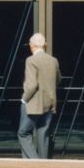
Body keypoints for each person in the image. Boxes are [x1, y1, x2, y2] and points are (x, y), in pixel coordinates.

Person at [17, 31, 59, 160]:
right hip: (49, 103)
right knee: (42, 134)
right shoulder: (53, 60)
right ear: (44, 45)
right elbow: (58, 79)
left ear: (31, 45)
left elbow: (32, 85)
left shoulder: (31, 60)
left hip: (33, 104)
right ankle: (42, 164)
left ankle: (35, 162)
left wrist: (24, 99)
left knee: (23, 133)